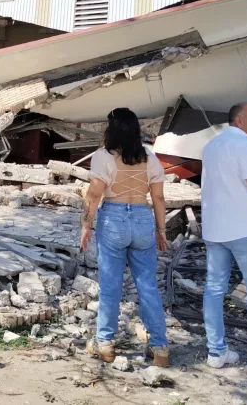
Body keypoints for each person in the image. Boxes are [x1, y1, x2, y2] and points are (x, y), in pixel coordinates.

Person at [80, 108, 170, 367]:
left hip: (114, 219)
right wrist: (161, 231)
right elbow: (159, 198)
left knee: (110, 285)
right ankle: (160, 348)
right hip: (142, 218)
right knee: (148, 285)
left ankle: (105, 344)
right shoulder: (150, 158)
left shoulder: (103, 157)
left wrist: (86, 225)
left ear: (112, 130)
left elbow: (94, 195)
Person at [201, 102, 247, 370]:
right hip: (244, 229)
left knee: (214, 290)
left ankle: (216, 352)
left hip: (215, 229)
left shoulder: (211, 146)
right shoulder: (246, 145)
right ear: (240, 120)